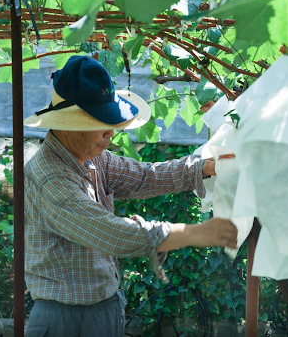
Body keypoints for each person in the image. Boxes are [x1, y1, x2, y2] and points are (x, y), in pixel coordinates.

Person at [22, 55, 237, 337]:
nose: (110, 132)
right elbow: (112, 234)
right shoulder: (50, 177)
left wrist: (202, 167)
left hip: (104, 309)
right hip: (65, 321)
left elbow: (145, 176)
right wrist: (196, 233)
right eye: (101, 122)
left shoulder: (92, 158)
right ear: (67, 123)